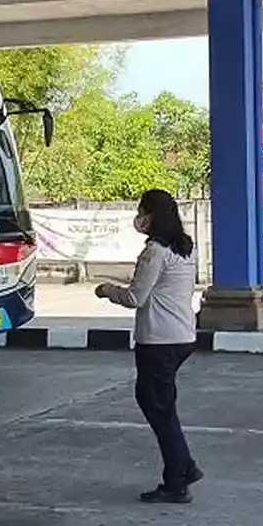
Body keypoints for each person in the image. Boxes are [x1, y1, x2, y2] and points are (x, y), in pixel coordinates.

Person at [95, 189, 203, 504]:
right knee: (160, 404)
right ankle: (181, 472)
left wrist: (106, 290)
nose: (138, 217)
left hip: (159, 339)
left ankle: (181, 473)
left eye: (142, 211)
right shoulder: (186, 247)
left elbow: (135, 298)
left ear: (154, 216)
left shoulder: (155, 251)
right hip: (182, 336)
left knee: (157, 405)